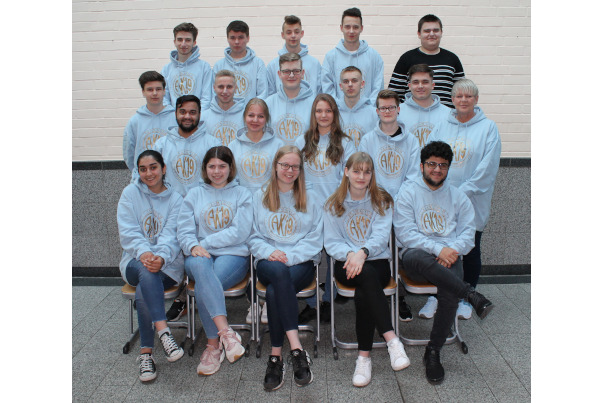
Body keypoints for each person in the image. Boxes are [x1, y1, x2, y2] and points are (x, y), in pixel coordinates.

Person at [393, 140, 494, 384]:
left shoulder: (458, 197)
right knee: (416, 256)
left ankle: (433, 351)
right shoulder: (408, 193)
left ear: (448, 168)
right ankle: (469, 294)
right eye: (432, 164)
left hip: (449, 257)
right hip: (417, 258)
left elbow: (468, 235)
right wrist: (439, 249)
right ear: (421, 166)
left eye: (443, 165)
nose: (437, 169)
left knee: (449, 288)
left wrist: (451, 251)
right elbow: (406, 234)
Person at [323, 152, 410, 387]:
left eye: (367, 172)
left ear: (372, 174)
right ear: (346, 172)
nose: (361, 176)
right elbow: (331, 242)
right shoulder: (333, 204)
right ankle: (391, 340)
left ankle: (364, 359)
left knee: (366, 283)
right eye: (356, 171)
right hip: (346, 264)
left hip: (375, 261)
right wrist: (350, 255)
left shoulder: (382, 200)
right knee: (365, 277)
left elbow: (381, 238)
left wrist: (362, 253)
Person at [248, 145, 323, 391]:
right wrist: (269, 253)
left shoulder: (311, 197)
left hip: (301, 262)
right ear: (275, 166)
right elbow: (252, 235)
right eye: (285, 165)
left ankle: (276, 356)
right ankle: (297, 349)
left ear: (301, 170)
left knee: (274, 291)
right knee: (279, 274)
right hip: (268, 261)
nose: (290, 170)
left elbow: (315, 238)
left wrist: (289, 256)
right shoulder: (260, 196)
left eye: (295, 166)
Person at [429, 79, 501, 319]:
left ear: (476, 100)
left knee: (470, 247)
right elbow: (431, 158)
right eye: (459, 96)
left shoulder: (488, 128)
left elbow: (487, 168)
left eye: (468, 96)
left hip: (473, 199)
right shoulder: (442, 125)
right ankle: (436, 295)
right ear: (452, 99)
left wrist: (461, 192)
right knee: (440, 246)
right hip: (441, 197)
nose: (463, 100)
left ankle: (466, 299)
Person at [177, 146, 253, 376]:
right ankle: (226, 335)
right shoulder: (194, 194)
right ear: (205, 168)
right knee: (202, 270)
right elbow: (184, 230)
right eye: (212, 166)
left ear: (231, 168)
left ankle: (213, 346)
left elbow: (240, 232)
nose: (217, 171)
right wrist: (193, 246)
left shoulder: (242, 194)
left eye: (222, 166)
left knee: (205, 284)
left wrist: (205, 243)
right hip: (197, 255)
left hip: (233, 254)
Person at [117, 150, 185, 382]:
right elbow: (128, 232)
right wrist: (145, 254)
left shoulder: (176, 199)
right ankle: (164, 331)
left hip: (168, 265)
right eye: (143, 169)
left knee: (145, 284)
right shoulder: (129, 194)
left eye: (153, 167)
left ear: (163, 169)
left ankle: (146, 353)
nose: (148, 173)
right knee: (145, 272)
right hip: (134, 261)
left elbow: (173, 236)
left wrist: (161, 257)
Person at [295, 93, 355, 323]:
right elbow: (296, 176)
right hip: (308, 209)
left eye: (328, 111)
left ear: (334, 114)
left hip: (335, 208)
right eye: (319, 111)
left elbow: (350, 177)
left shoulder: (346, 143)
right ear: (313, 114)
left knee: (331, 256)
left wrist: (338, 202)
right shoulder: (302, 141)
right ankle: (312, 303)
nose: (323, 115)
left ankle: (329, 300)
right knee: (310, 255)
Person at [388, 14, 464, 108]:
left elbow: (462, 93)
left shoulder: (452, 59)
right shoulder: (406, 58)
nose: (431, 34)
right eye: (427, 31)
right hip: (412, 115)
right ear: (419, 34)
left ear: (441, 32)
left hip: (445, 116)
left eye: (436, 30)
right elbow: (394, 94)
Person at [152, 95, 220, 197]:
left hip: (203, 203)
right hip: (170, 204)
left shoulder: (213, 144)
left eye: (192, 112)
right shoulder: (161, 145)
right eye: (182, 112)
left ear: (199, 114)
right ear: (175, 113)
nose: (187, 116)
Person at [358, 90, 420, 198]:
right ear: (377, 111)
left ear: (398, 109)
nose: (387, 111)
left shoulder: (412, 141)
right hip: (374, 200)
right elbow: (363, 174)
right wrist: (378, 199)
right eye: (383, 108)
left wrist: (398, 200)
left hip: (404, 202)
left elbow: (413, 177)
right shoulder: (367, 141)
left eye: (391, 107)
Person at [322, 7, 384, 103]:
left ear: (361, 28)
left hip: (367, 110)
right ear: (341, 28)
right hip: (339, 111)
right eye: (347, 27)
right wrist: (338, 108)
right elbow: (327, 88)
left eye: (355, 27)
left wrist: (368, 107)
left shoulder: (374, 56)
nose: (351, 31)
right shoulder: (331, 57)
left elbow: (378, 87)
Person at [123, 71, 176, 177]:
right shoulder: (135, 121)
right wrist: (141, 173)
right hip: (144, 178)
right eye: (150, 90)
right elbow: (129, 153)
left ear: (164, 91)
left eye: (158, 89)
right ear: (143, 92)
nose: (155, 93)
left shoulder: (175, 118)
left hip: (170, 177)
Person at [228, 98, 285, 194]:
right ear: (244, 117)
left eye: (260, 116)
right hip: (241, 199)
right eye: (251, 115)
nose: (255, 120)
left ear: (266, 119)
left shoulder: (278, 145)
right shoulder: (232, 146)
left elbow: (281, 178)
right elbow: (230, 179)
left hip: (270, 199)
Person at [212, 20, 268, 105]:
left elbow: (263, 94)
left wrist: (251, 111)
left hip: (250, 113)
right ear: (227, 39)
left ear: (248, 38)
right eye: (232, 38)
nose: (237, 42)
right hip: (225, 112)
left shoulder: (258, 64)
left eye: (241, 37)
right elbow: (214, 95)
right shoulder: (219, 65)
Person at [264, 53, 315, 145]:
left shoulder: (314, 104)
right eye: (286, 71)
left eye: (296, 71)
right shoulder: (268, 104)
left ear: (302, 73)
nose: (291, 75)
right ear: (279, 74)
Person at [161, 22, 212, 111]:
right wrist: (174, 116)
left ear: (194, 42)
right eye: (180, 39)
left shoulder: (204, 67)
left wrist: (196, 115)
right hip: (173, 118)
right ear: (174, 42)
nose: (183, 44)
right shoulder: (166, 70)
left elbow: (207, 98)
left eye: (188, 40)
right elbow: (164, 98)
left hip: (198, 118)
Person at [398, 64, 451, 149]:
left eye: (425, 82)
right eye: (416, 82)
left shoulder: (448, 114)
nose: (420, 86)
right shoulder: (398, 112)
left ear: (432, 85)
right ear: (409, 86)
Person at [266, 15, 322, 96]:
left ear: (302, 33)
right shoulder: (273, 65)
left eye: (296, 32)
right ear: (283, 35)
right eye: (289, 32)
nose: (293, 35)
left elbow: (320, 93)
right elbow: (270, 96)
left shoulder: (315, 64)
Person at [336, 66, 378, 150]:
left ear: (362, 84)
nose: (350, 84)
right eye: (346, 81)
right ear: (341, 86)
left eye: (354, 81)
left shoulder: (374, 113)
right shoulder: (334, 113)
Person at [201, 70, 245, 146]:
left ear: (235, 88)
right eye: (221, 87)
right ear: (214, 88)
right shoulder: (203, 117)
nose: (225, 91)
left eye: (229, 87)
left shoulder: (245, 116)